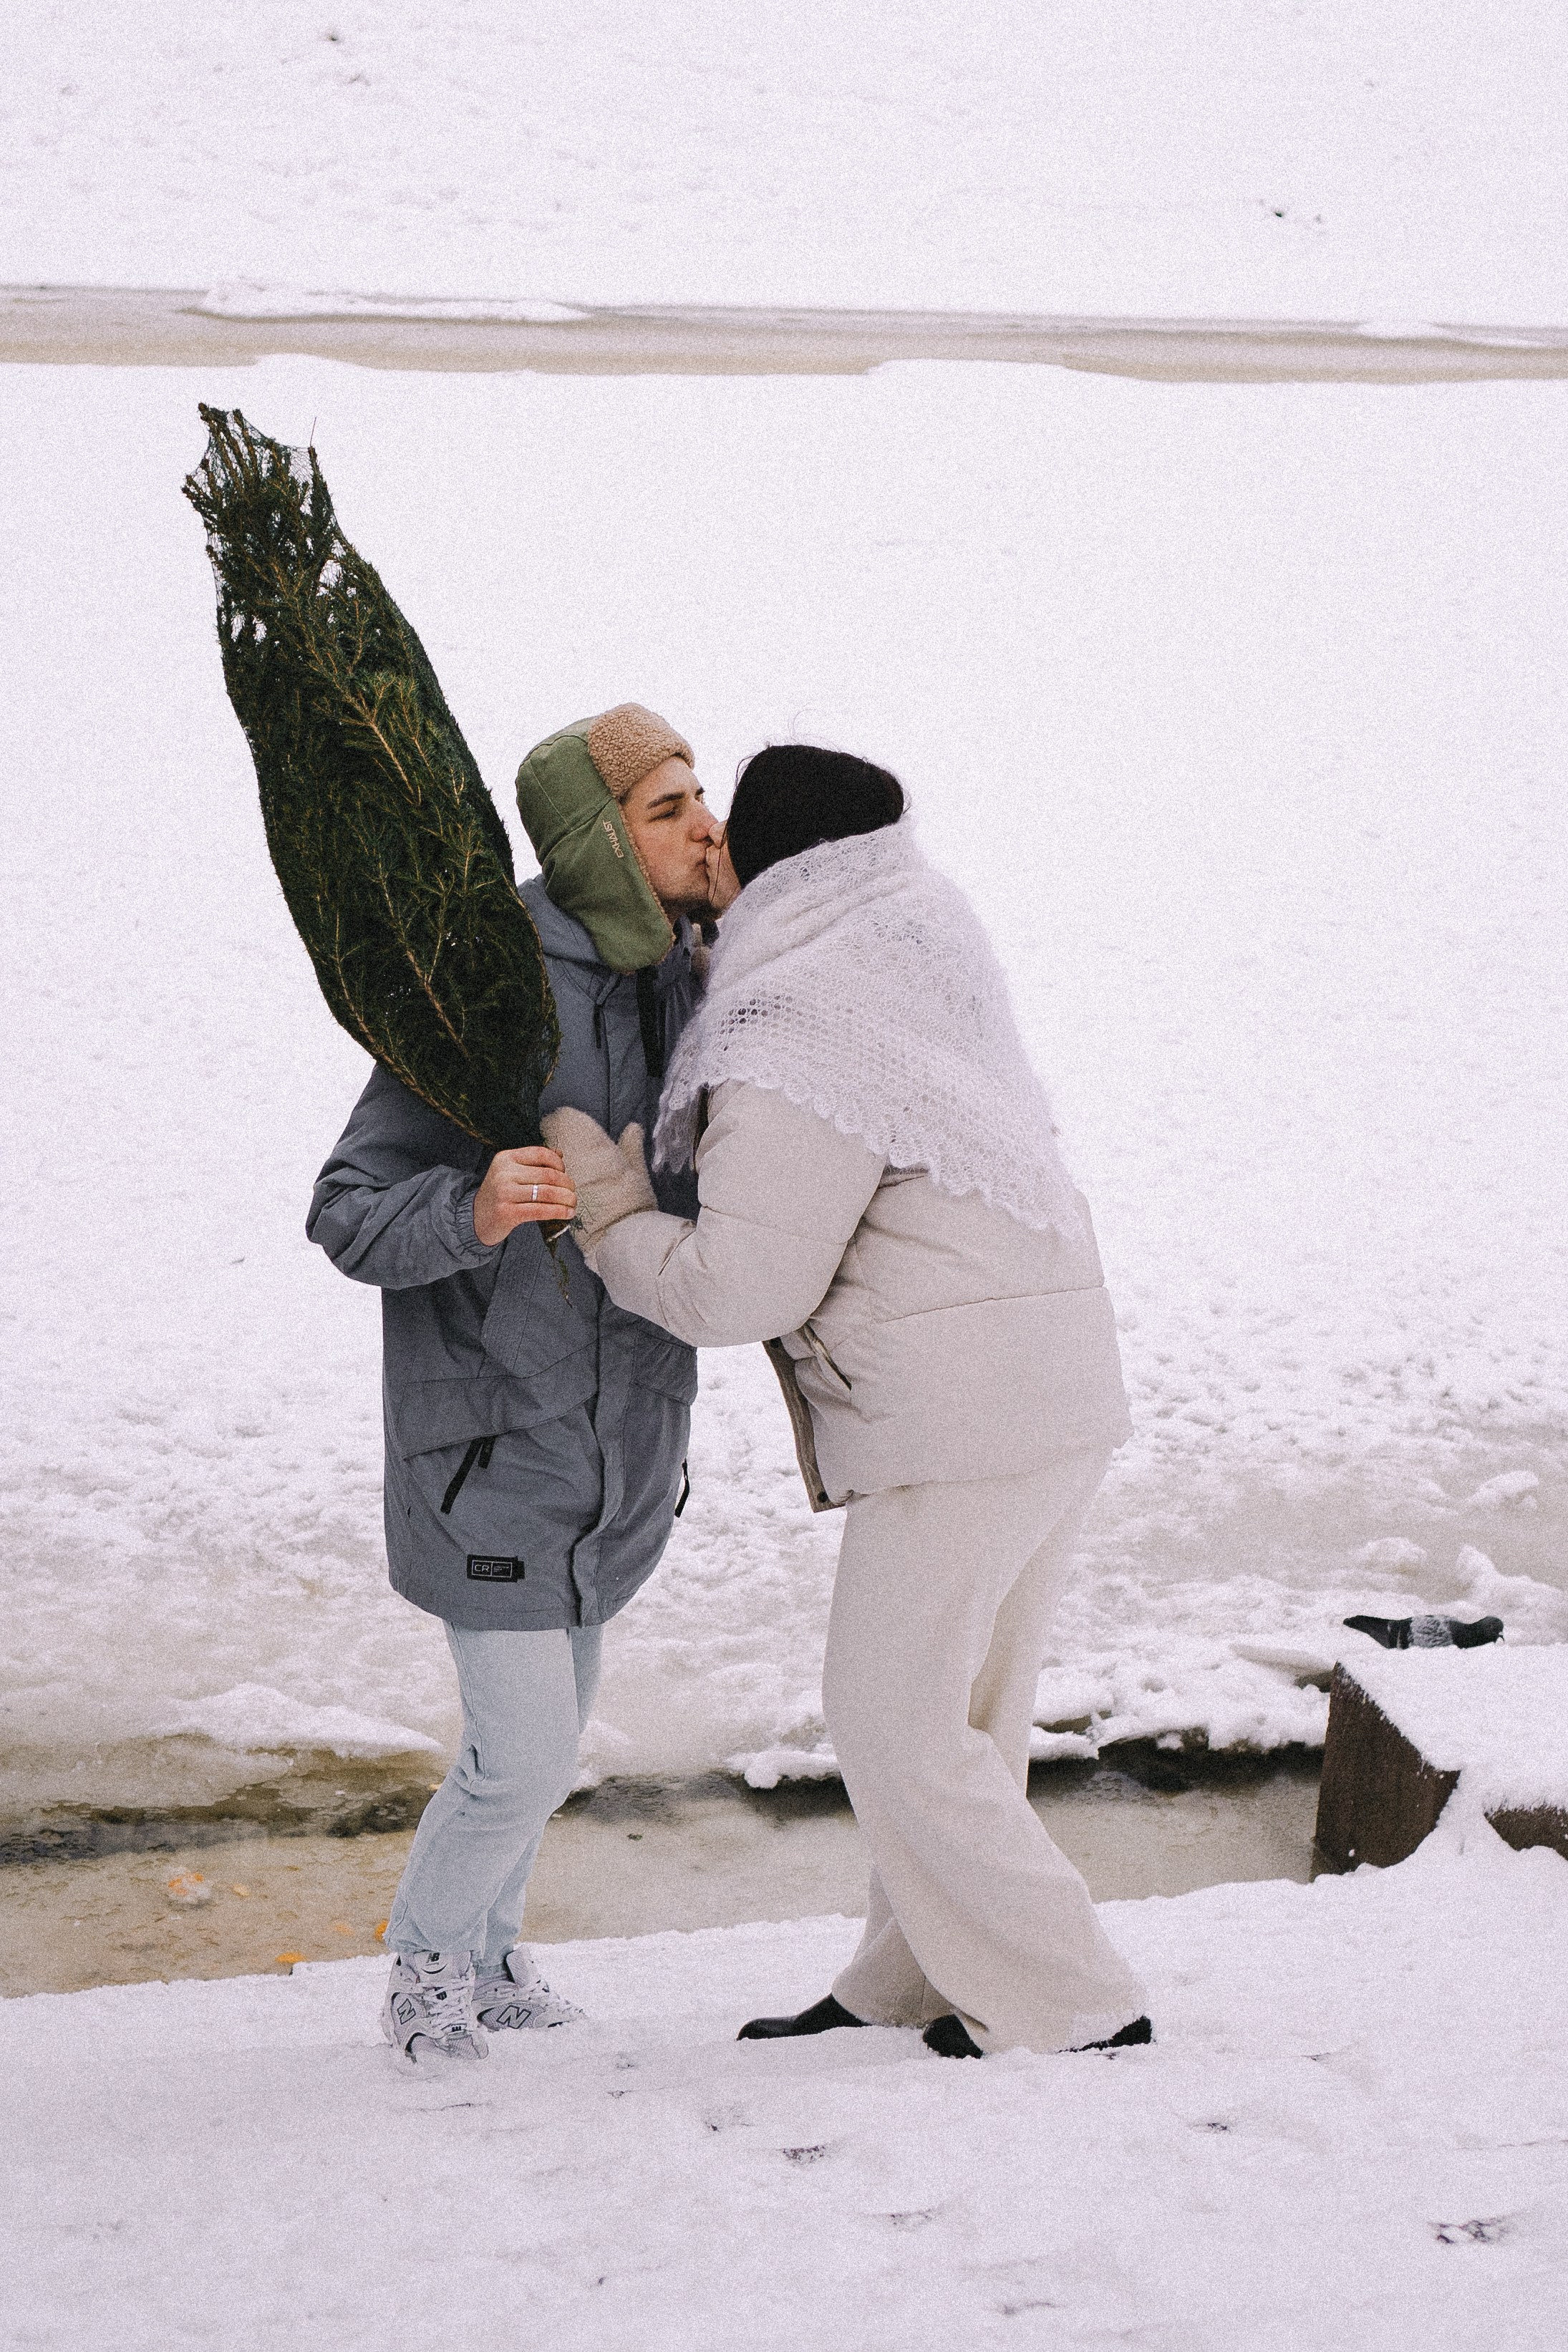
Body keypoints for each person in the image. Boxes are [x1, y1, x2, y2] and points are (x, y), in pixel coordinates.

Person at [545, 745, 1151, 2058]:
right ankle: (913, 1977)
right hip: (1049, 1386)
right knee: (963, 1715)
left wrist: (608, 1210)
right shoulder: (913, 935)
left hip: (962, 1417)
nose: (708, 848)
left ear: (776, 867)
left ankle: (1075, 2004)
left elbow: (735, 1288)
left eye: (725, 833)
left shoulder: (792, 1026)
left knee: (890, 1718)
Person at [308, 705, 721, 2063]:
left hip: (618, 1452)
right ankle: (423, 1966)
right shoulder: (482, 988)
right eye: (666, 809)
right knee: (525, 1755)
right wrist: (473, 1205)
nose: (701, 824)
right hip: (486, 1450)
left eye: (697, 796)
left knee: (548, 1745)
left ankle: (489, 1959)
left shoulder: (688, 983)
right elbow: (348, 1204)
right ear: (600, 839)